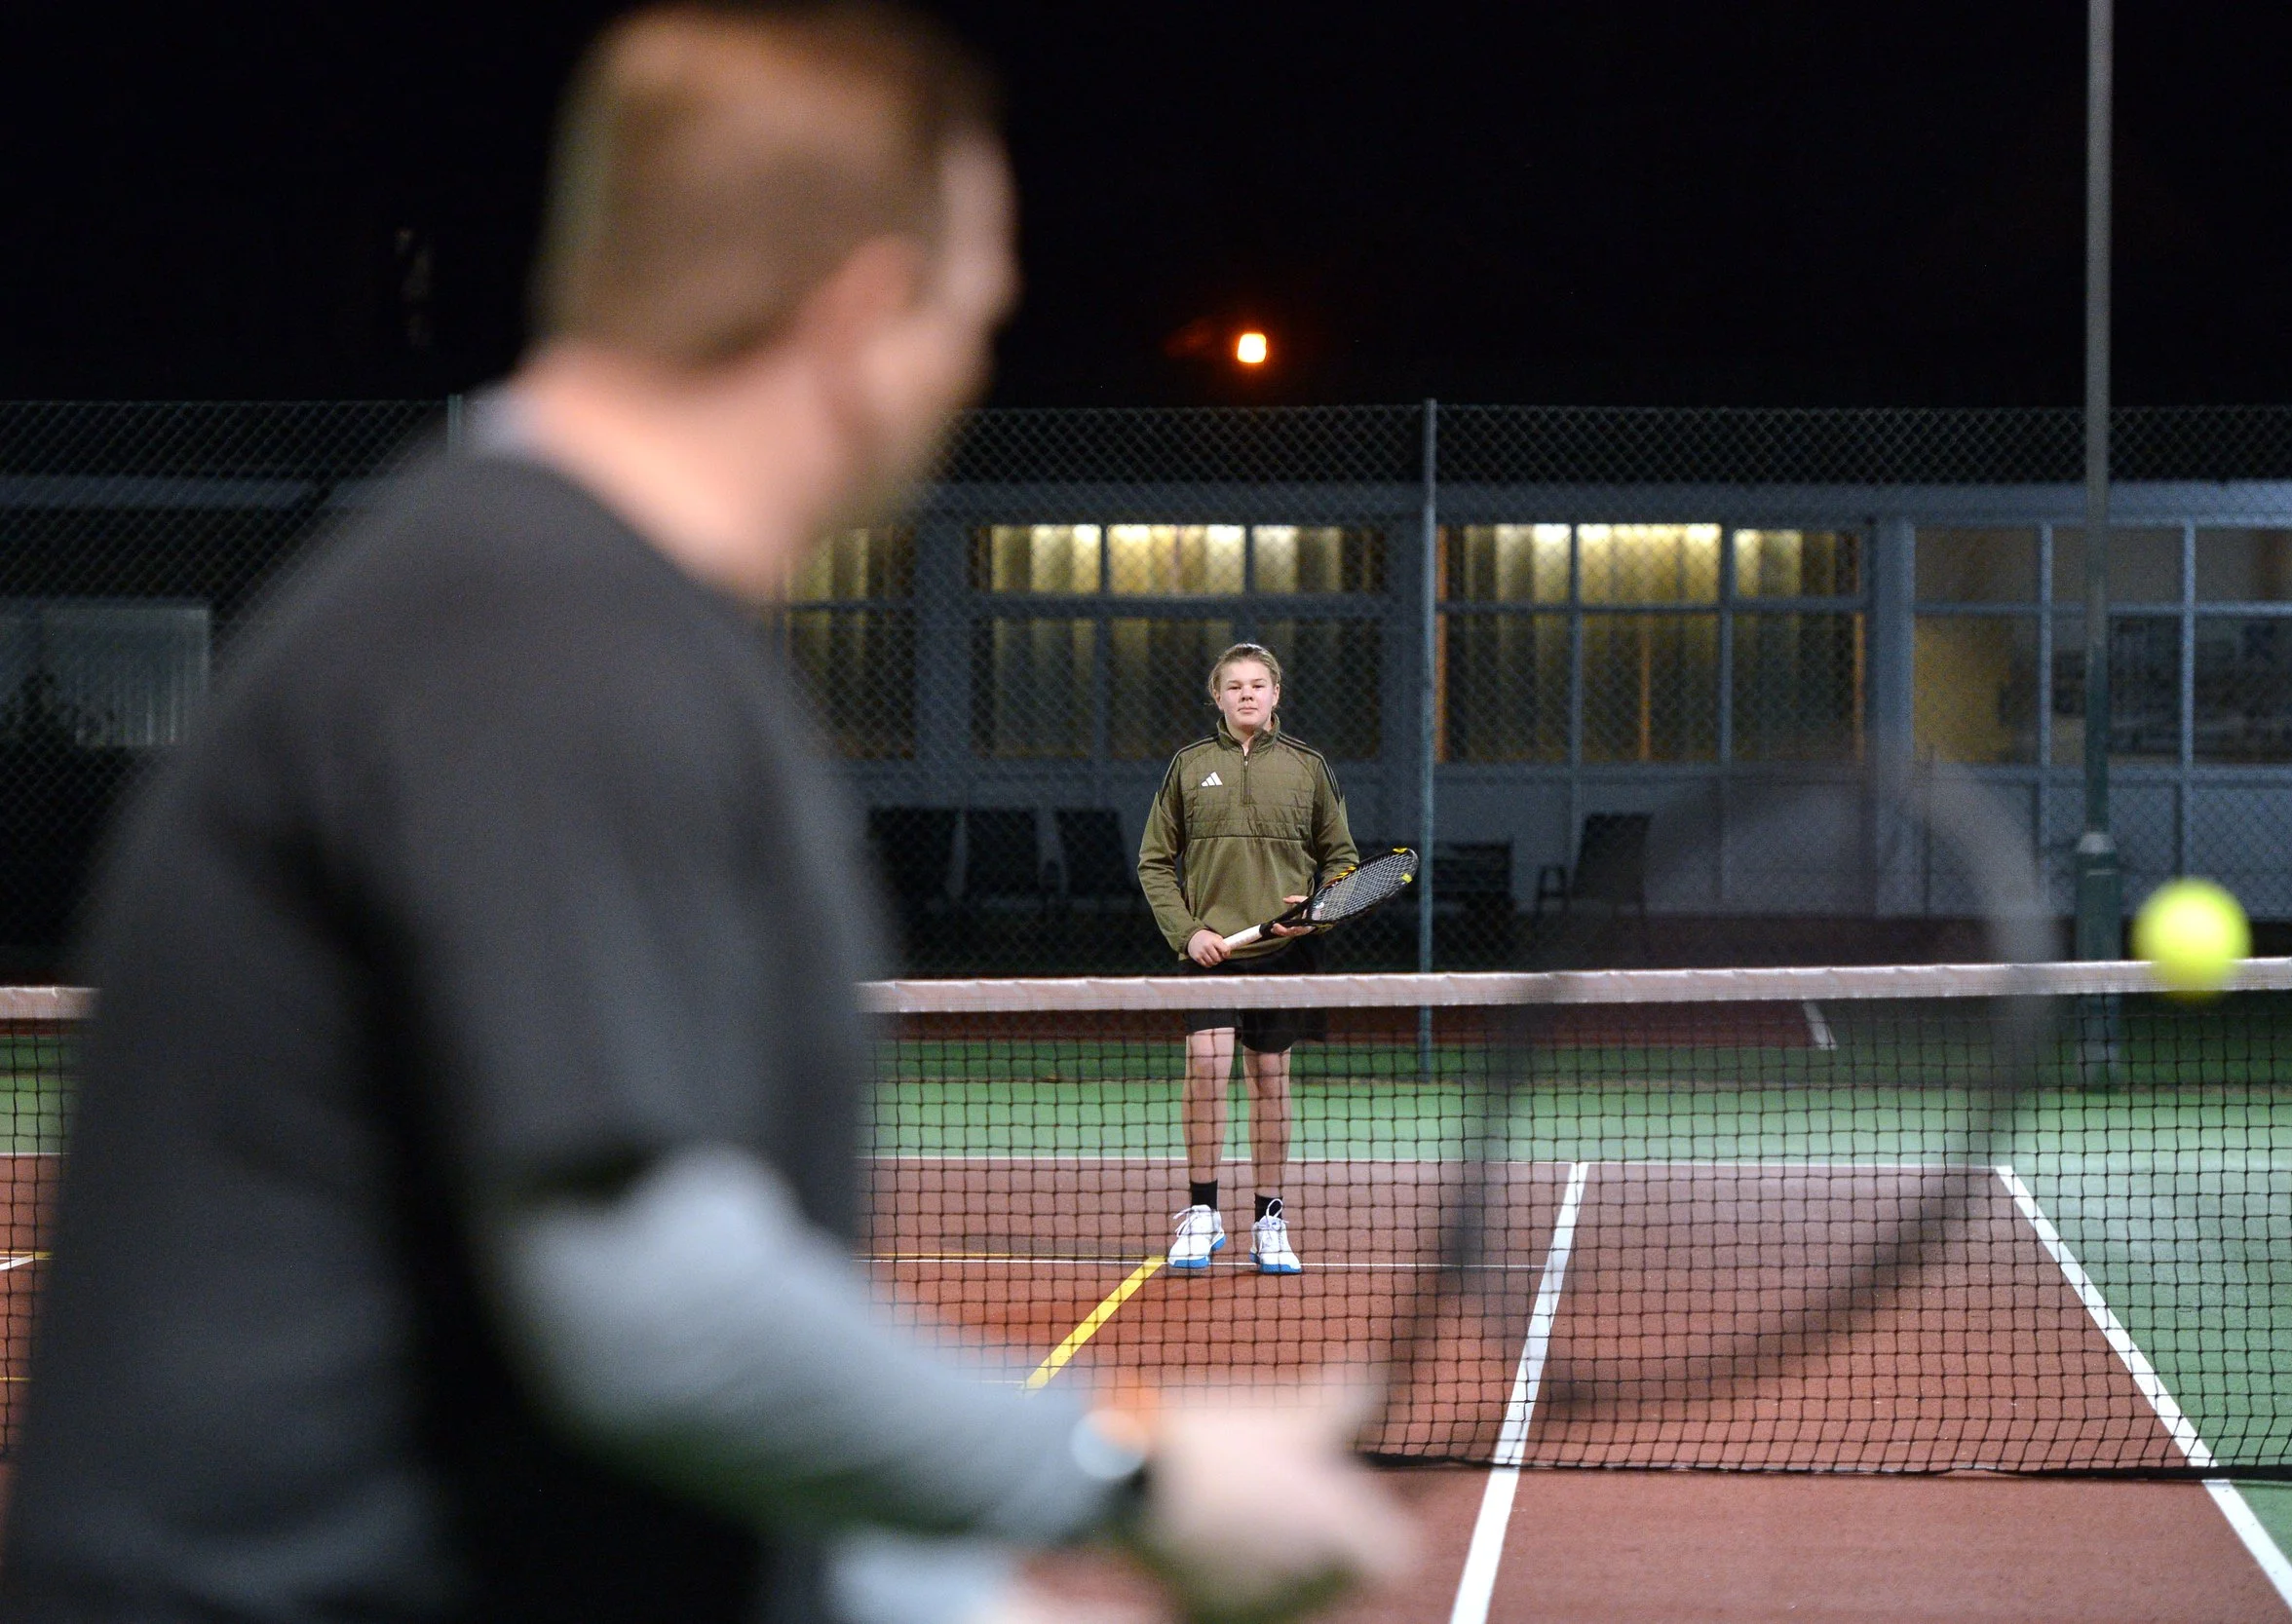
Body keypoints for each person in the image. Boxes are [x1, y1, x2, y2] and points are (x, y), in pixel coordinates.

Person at [0, 8, 1408, 1623]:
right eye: (973, 317)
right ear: (862, 309)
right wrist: (1130, 1481)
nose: (968, 369)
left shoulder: (562, 612)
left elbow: (603, 1422)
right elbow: (652, 1314)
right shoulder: (540, 632)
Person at [1136, 644, 1360, 1276]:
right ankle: (1203, 1212)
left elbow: (1344, 860)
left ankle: (1269, 1218)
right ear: (1218, 696)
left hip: (1285, 952)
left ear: (1275, 695)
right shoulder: (1188, 765)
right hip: (1211, 952)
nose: (1246, 694)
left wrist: (1320, 907)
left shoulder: (1308, 767)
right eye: (1233, 685)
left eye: (1258, 684)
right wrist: (1188, 932)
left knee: (1270, 1079)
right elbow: (1154, 861)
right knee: (1206, 1066)